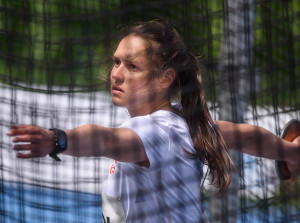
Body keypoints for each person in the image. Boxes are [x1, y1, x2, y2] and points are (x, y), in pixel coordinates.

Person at [6, 21, 300, 222]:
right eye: (116, 61)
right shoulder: (182, 124)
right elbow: (242, 136)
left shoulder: (154, 130)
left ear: (164, 79)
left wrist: (58, 139)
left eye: (132, 66)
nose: (116, 73)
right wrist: (290, 152)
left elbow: (106, 139)